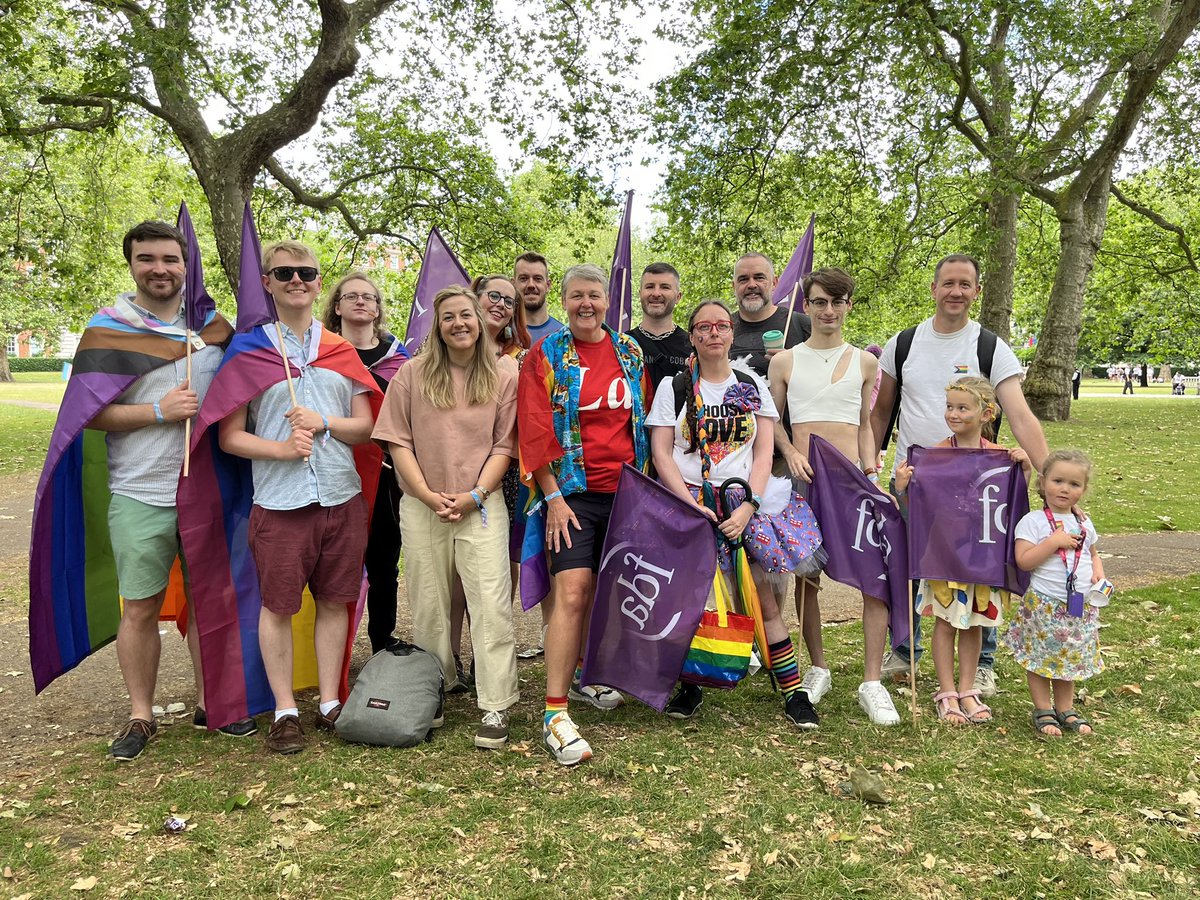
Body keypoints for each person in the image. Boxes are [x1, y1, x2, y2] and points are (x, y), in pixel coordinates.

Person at [39, 221, 253, 760]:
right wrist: (159, 410)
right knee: (139, 606)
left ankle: (213, 703)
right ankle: (141, 715)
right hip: (140, 490)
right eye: (147, 259)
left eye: (170, 259)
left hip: (208, 489)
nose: (160, 269)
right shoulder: (108, 330)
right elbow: (89, 415)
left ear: (186, 265)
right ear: (131, 264)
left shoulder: (213, 327)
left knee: (209, 600)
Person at [218, 240, 377, 754]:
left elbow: (365, 427)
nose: (296, 281)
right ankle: (285, 709)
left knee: (334, 600)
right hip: (280, 503)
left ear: (317, 282)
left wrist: (323, 421)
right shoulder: (250, 351)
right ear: (266, 282)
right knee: (278, 606)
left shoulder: (340, 351)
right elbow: (229, 436)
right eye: (284, 272)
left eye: (306, 273)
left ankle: (330, 701)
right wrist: (282, 450)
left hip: (341, 497)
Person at [870, 253, 1049, 697]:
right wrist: (869, 464)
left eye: (965, 284)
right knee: (912, 565)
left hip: (975, 485)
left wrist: (1047, 474)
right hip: (917, 481)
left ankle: (982, 664)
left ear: (977, 291)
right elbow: (881, 412)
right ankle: (905, 650)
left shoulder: (989, 347)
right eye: (948, 283)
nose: (955, 291)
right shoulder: (904, 344)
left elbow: (1019, 415)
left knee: (978, 568)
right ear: (934, 288)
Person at [650, 301, 825, 725]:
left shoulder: (751, 383)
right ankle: (690, 686)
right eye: (703, 327)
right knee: (691, 601)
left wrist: (750, 505)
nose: (713, 333)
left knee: (763, 599)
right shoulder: (674, 388)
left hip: (744, 502)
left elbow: (764, 453)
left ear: (731, 333)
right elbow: (661, 452)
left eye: (721, 326)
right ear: (692, 336)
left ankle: (793, 692)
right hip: (690, 505)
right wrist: (689, 504)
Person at [373, 286, 520, 750]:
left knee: (490, 602)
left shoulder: (502, 374)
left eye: (466, 315)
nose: (459, 323)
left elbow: (504, 445)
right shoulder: (412, 374)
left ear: (479, 320)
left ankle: (495, 703)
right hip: (422, 504)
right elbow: (397, 441)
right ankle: (432, 689)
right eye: (448, 317)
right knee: (430, 604)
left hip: (481, 505)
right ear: (437, 326)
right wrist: (425, 493)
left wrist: (475, 495)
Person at [518, 263, 651, 765]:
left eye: (594, 295)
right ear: (565, 300)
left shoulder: (630, 352)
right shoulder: (546, 354)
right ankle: (555, 713)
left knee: (603, 592)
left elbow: (641, 420)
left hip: (625, 493)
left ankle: (586, 675)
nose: (586, 304)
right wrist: (552, 497)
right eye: (576, 296)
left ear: (607, 301)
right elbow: (532, 429)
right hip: (571, 494)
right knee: (571, 591)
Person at [768, 268, 900, 727]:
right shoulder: (785, 362)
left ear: (848, 306)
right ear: (806, 305)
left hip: (852, 484)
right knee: (808, 578)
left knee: (872, 576)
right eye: (820, 302)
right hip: (804, 481)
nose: (828, 310)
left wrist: (871, 474)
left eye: (837, 302)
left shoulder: (865, 363)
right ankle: (818, 667)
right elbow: (773, 421)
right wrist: (789, 452)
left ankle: (872, 682)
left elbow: (864, 425)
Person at [893, 377, 1031, 725]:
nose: (953, 414)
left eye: (962, 408)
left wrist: (1025, 470)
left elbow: (1012, 504)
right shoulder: (935, 457)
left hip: (982, 556)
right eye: (950, 407)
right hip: (946, 556)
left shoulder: (1000, 458)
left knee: (974, 624)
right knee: (945, 623)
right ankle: (947, 692)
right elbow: (917, 513)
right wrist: (903, 489)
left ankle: (968, 689)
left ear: (986, 413)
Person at [445, 273, 533, 684]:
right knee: (456, 571)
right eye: (493, 295)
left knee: (498, 567)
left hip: (508, 474)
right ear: (475, 299)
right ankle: (450, 658)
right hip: (453, 471)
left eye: (509, 301)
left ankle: (486, 656)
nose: (500, 304)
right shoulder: (443, 348)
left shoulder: (521, 357)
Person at [321, 272, 409, 654]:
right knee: (334, 563)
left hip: (386, 475)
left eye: (368, 297)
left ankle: (381, 643)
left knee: (384, 562)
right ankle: (331, 651)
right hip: (333, 469)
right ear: (337, 307)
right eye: (351, 296)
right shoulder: (321, 356)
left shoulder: (399, 361)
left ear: (377, 309)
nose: (360, 301)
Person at [1009, 449, 1106, 737]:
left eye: (1074, 484)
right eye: (1058, 481)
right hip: (1044, 605)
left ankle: (1066, 708)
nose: (1065, 489)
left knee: (1069, 659)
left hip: (1079, 607)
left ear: (1083, 490)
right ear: (1043, 482)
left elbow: (1092, 553)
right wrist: (1053, 542)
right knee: (1040, 659)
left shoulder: (1084, 522)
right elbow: (1024, 560)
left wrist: (1098, 572)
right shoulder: (1033, 521)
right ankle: (1043, 709)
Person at [729, 253, 811, 378]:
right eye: (743, 279)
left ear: (774, 283)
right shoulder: (720, 329)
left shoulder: (803, 325)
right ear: (734, 286)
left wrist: (795, 367)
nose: (752, 285)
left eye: (759, 277)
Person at [626, 262, 691, 388]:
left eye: (665, 287)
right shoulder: (623, 344)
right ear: (640, 294)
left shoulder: (692, 346)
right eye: (650, 287)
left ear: (678, 297)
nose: (656, 294)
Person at [515, 252, 562, 344]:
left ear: (548, 285)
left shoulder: (562, 336)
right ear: (513, 284)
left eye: (537, 279)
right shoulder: (501, 333)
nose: (531, 285)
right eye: (524, 278)